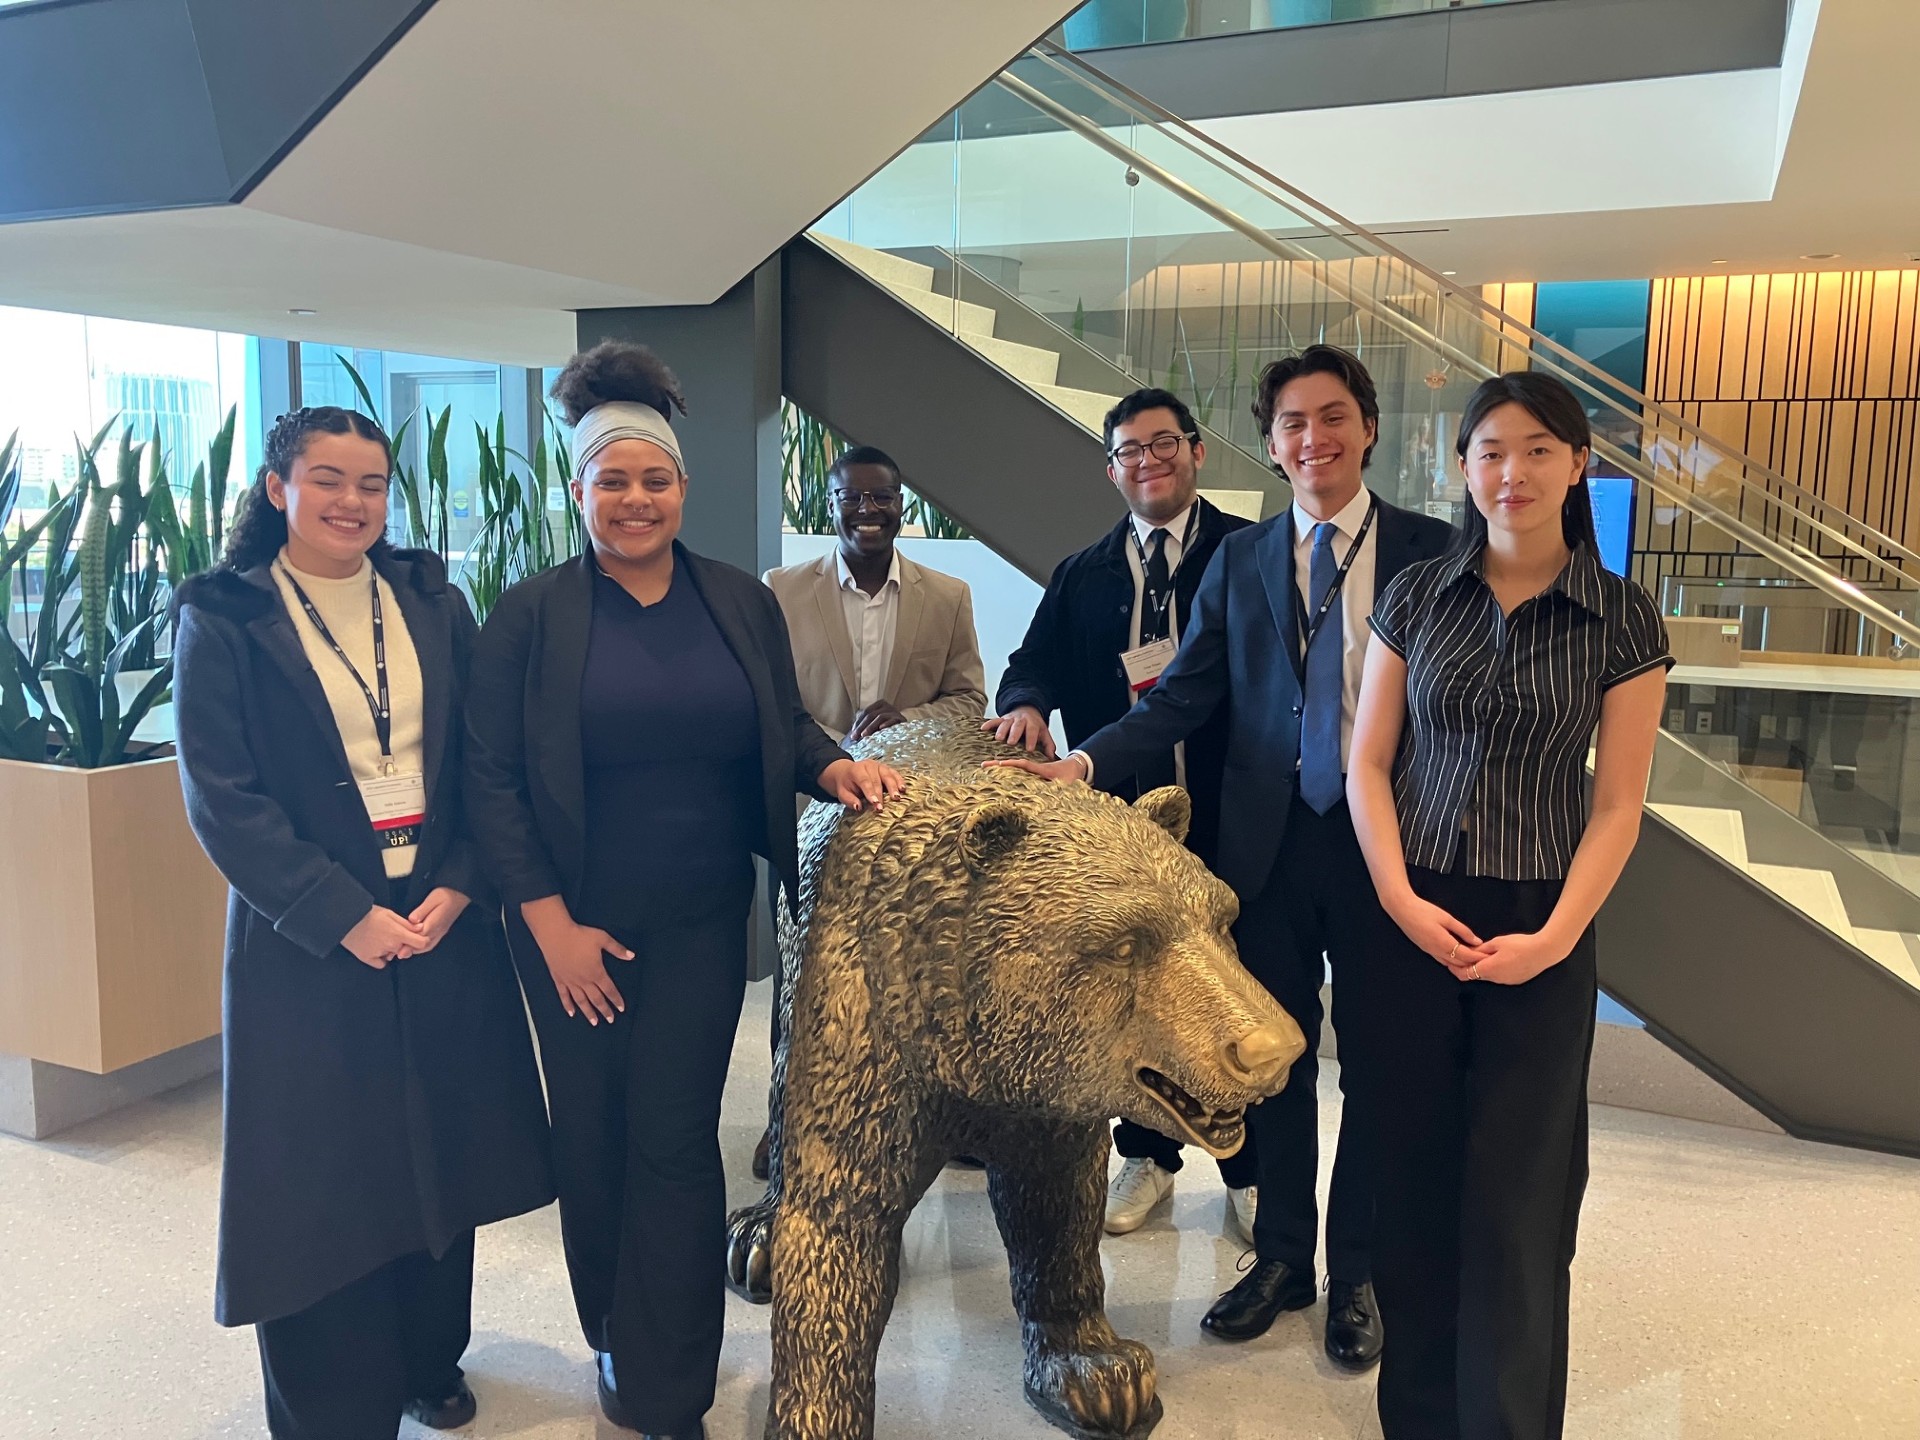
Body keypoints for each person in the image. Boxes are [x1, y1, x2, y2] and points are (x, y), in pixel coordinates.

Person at [463, 341, 903, 1440]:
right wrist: (551, 926)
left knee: (673, 1136)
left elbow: (780, 721)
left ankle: (668, 1382)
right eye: (612, 479)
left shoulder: (736, 601)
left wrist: (833, 767)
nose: (635, 499)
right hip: (572, 928)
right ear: (579, 489)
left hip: (706, 925)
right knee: (594, 1136)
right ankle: (612, 1326)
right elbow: (491, 780)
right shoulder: (531, 614)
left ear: (682, 487)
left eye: (654, 478)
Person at [991, 346, 1453, 1369]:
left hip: (1389, 848)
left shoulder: (1433, 552)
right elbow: (1184, 693)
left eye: (1331, 417)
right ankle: (1282, 1255)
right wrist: (1081, 763)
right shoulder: (1243, 562)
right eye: (1292, 424)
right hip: (1266, 849)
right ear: (1271, 444)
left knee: (1380, 1067)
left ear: (1368, 429)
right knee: (1273, 1056)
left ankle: (1358, 1270)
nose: (1313, 439)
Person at [172, 406, 554, 1440]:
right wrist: (344, 915)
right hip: (306, 942)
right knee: (321, 1177)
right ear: (277, 489)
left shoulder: (430, 599)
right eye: (329, 479)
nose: (353, 502)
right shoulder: (225, 616)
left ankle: (430, 1358)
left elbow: (483, 756)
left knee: (440, 1147)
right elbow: (223, 798)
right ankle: (332, 1405)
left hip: (438, 922)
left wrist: (463, 881)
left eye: (372, 484)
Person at [1345, 371, 1670, 1439]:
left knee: (1521, 1201)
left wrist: (1555, 938)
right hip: (1412, 915)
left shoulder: (1621, 617)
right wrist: (1398, 898)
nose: (1511, 472)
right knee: (1412, 1183)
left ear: (1578, 465)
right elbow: (1369, 764)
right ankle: (1419, 1419)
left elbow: (1618, 804)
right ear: (1461, 467)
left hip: (1543, 918)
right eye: (1490, 450)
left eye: (1537, 450)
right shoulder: (1415, 596)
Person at [988, 386, 1256, 1243]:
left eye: (1163, 443)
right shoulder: (1084, 573)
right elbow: (1031, 660)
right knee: (1140, 997)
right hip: (1121, 835)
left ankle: (1251, 1171)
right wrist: (1026, 704)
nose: (1148, 462)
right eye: (1129, 451)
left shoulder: (1247, 555)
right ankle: (1148, 1157)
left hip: (1232, 818)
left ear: (1196, 451)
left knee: (1238, 989)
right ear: (1111, 471)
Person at [756, 442, 986, 1175]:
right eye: (851, 497)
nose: (867, 510)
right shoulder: (780, 591)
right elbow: (771, 703)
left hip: (907, 820)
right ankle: (786, 1117)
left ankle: (930, 1119)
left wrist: (909, 721)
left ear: (901, 505)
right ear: (830, 505)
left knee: (914, 970)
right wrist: (833, 756)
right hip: (810, 810)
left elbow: (969, 700)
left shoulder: (947, 596)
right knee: (803, 970)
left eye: (881, 496)